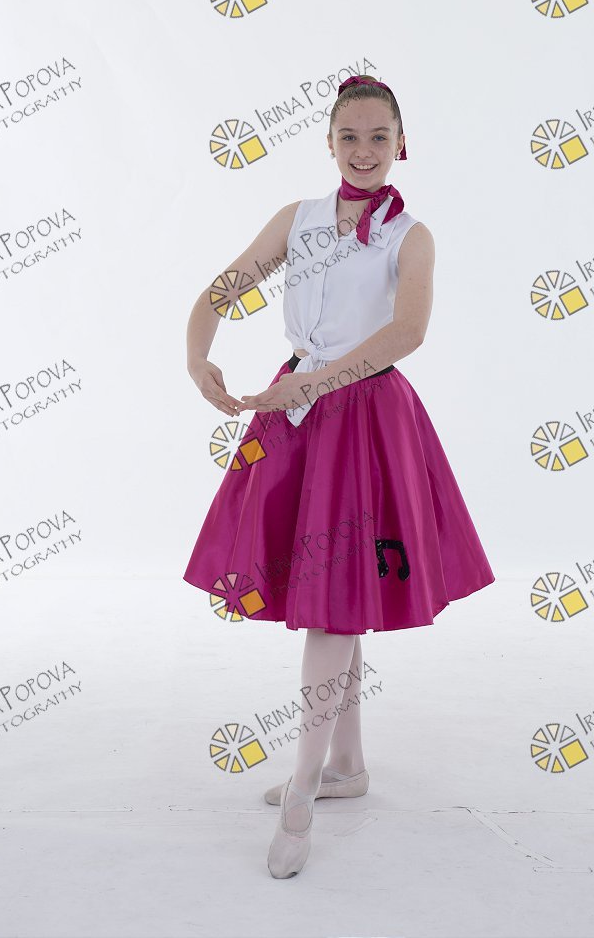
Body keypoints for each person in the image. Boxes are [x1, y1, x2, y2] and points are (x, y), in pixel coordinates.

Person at [183, 74, 496, 878]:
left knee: (332, 602)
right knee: (332, 598)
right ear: (328, 142)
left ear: (401, 144)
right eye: (349, 137)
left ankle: (303, 791)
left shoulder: (411, 236)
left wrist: (314, 384)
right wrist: (198, 356)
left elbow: (408, 332)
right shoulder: (298, 219)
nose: (364, 151)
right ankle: (346, 767)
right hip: (294, 415)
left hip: (364, 419)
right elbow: (221, 289)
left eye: (378, 137)